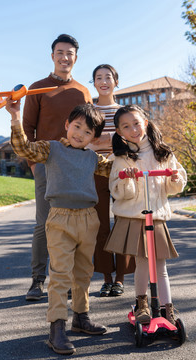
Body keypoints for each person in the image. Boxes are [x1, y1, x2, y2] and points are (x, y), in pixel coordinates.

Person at [7, 99, 112, 356]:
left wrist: (132, 150)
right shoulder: (51, 149)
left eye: (88, 132)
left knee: (84, 272)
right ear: (67, 125)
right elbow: (23, 148)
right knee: (61, 274)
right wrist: (15, 117)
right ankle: (57, 326)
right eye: (77, 127)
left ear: (94, 138)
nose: (80, 134)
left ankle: (81, 317)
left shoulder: (93, 159)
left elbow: (117, 169)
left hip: (89, 218)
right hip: (60, 219)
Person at [23, 34, 92, 301]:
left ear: (76, 57)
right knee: (44, 223)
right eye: (60, 52)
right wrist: (32, 163)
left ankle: (69, 282)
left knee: (74, 224)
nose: (65, 57)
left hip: (75, 167)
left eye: (70, 53)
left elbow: (88, 129)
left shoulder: (82, 91)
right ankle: (37, 280)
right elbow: (27, 127)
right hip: (45, 164)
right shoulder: (37, 88)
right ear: (52, 55)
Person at [105, 104, 187, 325]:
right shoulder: (121, 158)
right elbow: (119, 193)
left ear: (146, 124)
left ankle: (167, 307)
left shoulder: (163, 153)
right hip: (135, 216)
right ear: (120, 132)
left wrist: (174, 178)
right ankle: (142, 303)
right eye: (126, 127)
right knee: (142, 262)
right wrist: (128, 179)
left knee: (160, 265)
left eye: (136, 124)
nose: (133, 129)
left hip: (156, 216)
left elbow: (175, 185)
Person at [86, 64, 135, 297]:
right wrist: (111, 139)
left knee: (124, 223)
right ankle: (106, 277)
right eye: (98, 77)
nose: (103, 81)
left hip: (121, 170)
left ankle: (121, 278)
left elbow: (130, 140)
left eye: (108, 77)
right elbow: (86, 143)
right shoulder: (88, 111)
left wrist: (102, 140)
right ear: (93, 82)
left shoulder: (124, 112)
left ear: (116, 81)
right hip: (94, 173)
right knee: (100, 227)